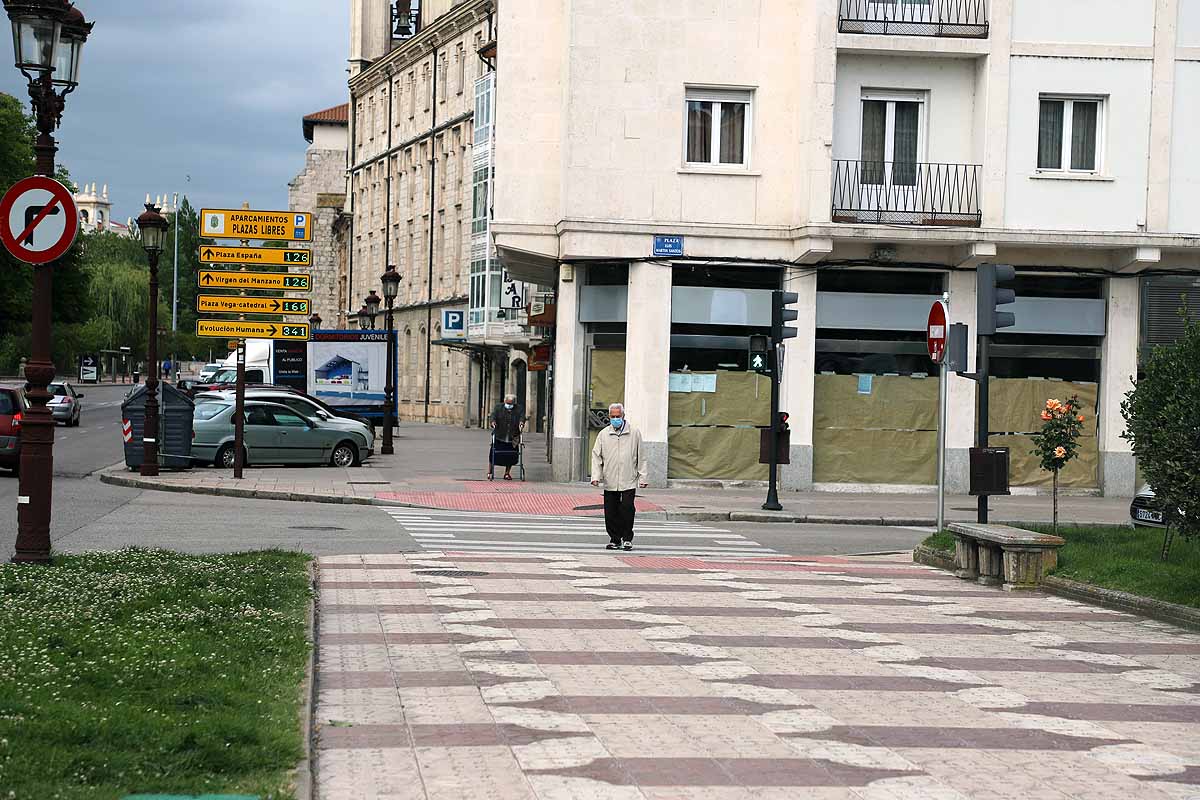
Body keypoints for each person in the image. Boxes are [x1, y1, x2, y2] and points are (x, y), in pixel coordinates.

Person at [590, 402, 648, 551]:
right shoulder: (603, 434)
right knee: (611, 512)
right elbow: (597, 456)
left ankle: (627, 538)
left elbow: (641, 456)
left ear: (623, 416)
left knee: (627, 508)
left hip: (629, 478)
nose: (616, 419)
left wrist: (643, 477)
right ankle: (615, 539)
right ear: (609, 417)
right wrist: (596, 476)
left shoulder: (634, 433)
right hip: (610, 479)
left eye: (618, 416)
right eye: (613, 416)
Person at [488, 393, 523, 480]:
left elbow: (522, 417)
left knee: (510, 456)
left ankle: (507, 473)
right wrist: (493, 422)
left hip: (513, 436)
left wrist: (521, 422)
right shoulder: (498, 407)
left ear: (514, 403)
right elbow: (493, 416)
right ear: (504, 402)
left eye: (511, 404)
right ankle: (490, 471)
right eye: (507, 403)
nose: (509, 405)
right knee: (493, 454)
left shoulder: (519, 409)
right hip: (500, 435)